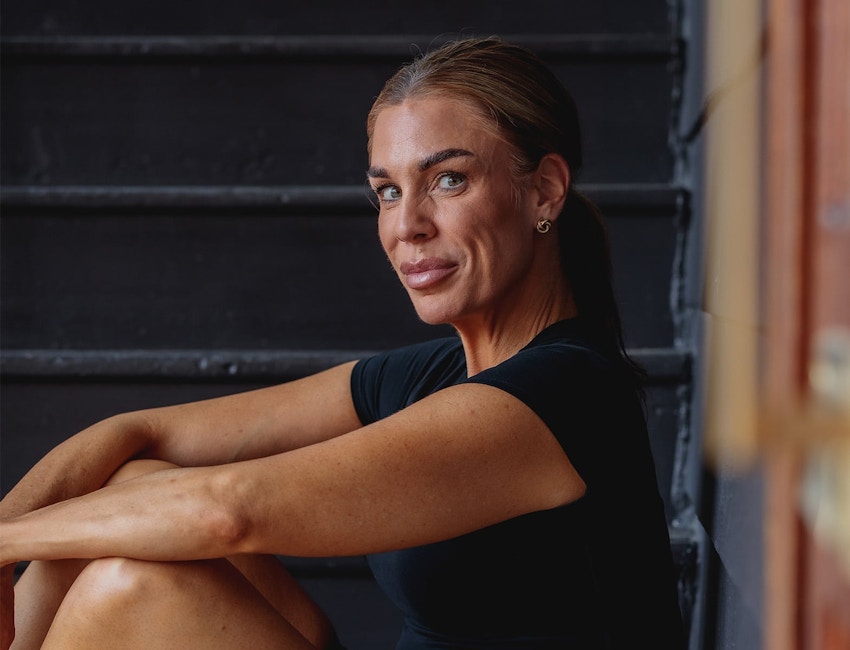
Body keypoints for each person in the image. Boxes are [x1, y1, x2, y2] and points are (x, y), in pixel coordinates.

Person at [0, 37, 685, 649]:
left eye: (449, 180)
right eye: (387, 191)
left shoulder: (559, 393)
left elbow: (228, 511)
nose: (407, 225)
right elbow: (137, 433)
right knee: (131, 489)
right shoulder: (437, 374)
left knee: (127, 583)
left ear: (544, 191)